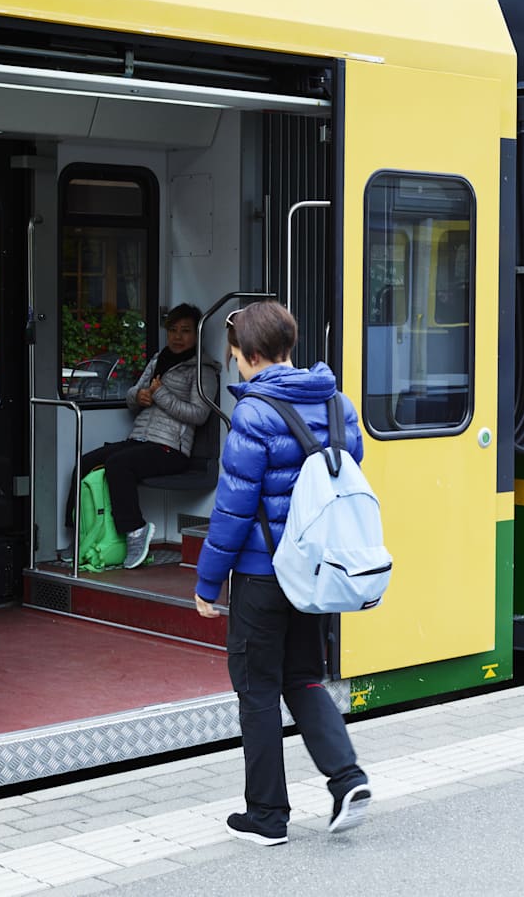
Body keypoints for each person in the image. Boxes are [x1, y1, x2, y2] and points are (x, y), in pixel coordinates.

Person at [192, 300, 370, 847]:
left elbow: (233, 508)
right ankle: (347, 778)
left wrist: (206, 582)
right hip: (315, 573)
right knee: (305, 677)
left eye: (235, 357)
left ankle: (267, 817)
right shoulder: (337, 403)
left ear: (247, 356)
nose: (236, 366)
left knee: (259, 690)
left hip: (262, 576)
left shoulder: (253, 413)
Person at [66, 304, 216, 569]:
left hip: (172, 448)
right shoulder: (159, 360)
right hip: (140, 440)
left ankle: (136, 530)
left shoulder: (203, 370)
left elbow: (199, 414)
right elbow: (133, 394)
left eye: (185, 331)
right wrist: (139, 396)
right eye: (173, 330)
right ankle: (80, 536)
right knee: (85, 463)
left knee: (118, 464)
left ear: (197, 335)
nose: (178, 337)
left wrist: (160, 395)